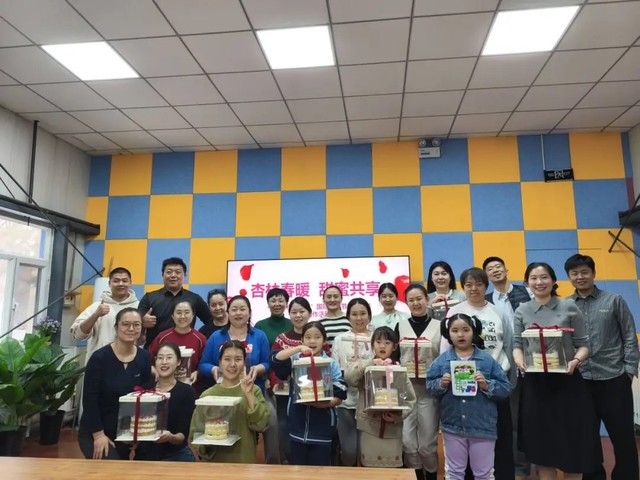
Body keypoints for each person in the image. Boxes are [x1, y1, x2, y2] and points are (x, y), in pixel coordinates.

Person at [513, 262, 602, 479]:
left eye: (544, 277)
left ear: (553, 281)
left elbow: (584, 344)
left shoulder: (569, 307)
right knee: (543, 448)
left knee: (574, 447)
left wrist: (576, 361)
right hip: (536, 386)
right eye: (533, 278)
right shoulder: (522, 310)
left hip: (568, 383)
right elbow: (516, 344)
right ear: (527, 283)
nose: (539, 282)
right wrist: (519, 360)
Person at [564, 254, 639, 480]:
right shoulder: (565, 305)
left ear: (593, 273)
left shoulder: (614, 300)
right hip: (581, 381)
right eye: (574, 273)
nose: (580, 277)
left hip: (614, 378)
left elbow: (629, 336)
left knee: (623, 436)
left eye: (584, 272)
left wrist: (629, 371)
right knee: (587, 437)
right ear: (569, 277)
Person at [443, 267, 515, 480]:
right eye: (468, 285)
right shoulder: (454, 312)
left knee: (499, 438)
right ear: (463, 287)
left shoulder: (498, 311)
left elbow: (508, 345)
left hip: (494, 383)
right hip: (462, 383)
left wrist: (507, 381)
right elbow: (445, 349)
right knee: (463, 440)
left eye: (478, 284)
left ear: (486, 286)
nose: (473, 288)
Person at [427, 314, 512, 480]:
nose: (460, 335)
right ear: (448, 333)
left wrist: (487, 385)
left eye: (466, 330)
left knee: (484, 474)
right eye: (455, 330)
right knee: (454, 473)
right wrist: (441, 384)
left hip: (482, 427)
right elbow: (429, 386)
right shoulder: (442, 361)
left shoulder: (487, 360)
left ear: (474, 331)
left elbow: (506, 388)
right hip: (452, 426)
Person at [78, 308, 153, 460]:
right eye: (125, 324)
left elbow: (146, 397)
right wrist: (99, 435)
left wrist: (137, 434)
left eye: (136, 325)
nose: (131, 329)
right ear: (116, 327)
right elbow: (89, 399)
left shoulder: (144, 357)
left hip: (126, 432)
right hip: (96, 430)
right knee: (110, 467)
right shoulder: (99, 358)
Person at [482, 256, 533, 480]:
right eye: (490, 269)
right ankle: (514, 468)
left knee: (529, 417)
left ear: (506, 269)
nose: (495, 270)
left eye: (498, 267)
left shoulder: (527, 293)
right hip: (504, 367)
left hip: (532, 363)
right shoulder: (487, 302)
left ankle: (529, 466)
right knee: (510, 419)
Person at [271, 322, 348, 466]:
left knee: (321, 470)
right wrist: (298, 349)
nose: (312, 341)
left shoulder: (330, 363)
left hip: (323, 428)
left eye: (317, 337)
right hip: (297, 427)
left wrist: (322, 404)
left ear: (324, 340)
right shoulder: (295, 360)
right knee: (298, 470)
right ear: (302, 340)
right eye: (307, 337)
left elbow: (341, 392)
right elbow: (275, 359)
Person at [344, 326, 416, 468]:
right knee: (369, 469)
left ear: (394, 347)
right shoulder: (365, 367)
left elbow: (410, 399)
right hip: (368, 427)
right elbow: (349, 378)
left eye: (387, 343)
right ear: (372, 345)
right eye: (378, 342)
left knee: (391, 471)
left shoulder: (399, 370)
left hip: (392, 429)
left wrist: (397, 417)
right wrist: (370, 364)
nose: (382, 346)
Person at [270, 297, 331, 463]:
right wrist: (297, 349)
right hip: (292, 402)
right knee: (291, 444)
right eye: (294, 312)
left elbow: (331, 375)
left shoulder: (327, 356)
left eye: (302, 311)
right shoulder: (288, 346)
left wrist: (329, 400)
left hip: (321, 409)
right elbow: (276, 361)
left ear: (309, 313)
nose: (298, 315)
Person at [190, 340, 270, 464]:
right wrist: (207, 444)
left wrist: (248, 395)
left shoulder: (254, 390)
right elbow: (195, 434)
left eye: (238, 359)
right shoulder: (208, 395)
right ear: (219, 363)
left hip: (245, 462)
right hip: (216, 464)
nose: (232, 364)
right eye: (227, 359)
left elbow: (261, 425)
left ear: (244, 363)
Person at [396, 284, 441, 480]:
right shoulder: (400, 326)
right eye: (411, 300)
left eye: (419, 299)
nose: (416, 303)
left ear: (427, 300)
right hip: (406, 390)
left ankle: (431, 474)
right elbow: (395, 356)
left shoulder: (440, 326)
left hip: (429, 390)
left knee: (427, 443)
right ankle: (415, 475)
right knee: (407, 441)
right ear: (406, 303)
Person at [331, 298, 375, 466]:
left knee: (367, 451)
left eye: (363, 313)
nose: (359, 318)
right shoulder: (340, 339)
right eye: (354, 314)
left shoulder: (377, 338)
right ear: (348, 316)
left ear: (369, 316)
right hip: (345, 401)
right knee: (349, 450)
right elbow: (334, 369)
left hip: (371, 403)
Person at [199, 295, 270, 395]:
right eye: (234, 309)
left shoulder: (259, 336)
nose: (238, 313)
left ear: (250, 313)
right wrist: (213, 369)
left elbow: (267, 363)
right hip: (223, 391)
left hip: (252, 390)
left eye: (242, 309)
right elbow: (203, 365)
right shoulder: (216, 336)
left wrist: (258, 369)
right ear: (228, 313)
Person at [138, 257, 212, 348]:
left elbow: (210, 321)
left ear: (184, 276)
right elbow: (134, 324)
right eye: (169, 272)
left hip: (186, 350)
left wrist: (199, 336)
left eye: (178, 272)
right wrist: (142, 322)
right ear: (162, 275)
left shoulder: (194, 298)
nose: (173, 275)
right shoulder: (149, 297)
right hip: (155, 350)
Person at [255, 287, 292, 464]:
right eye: (273, 300)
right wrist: (266, 379)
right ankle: (274, 460)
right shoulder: (260, 326)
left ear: (286, 303)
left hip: (291, 381)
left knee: (287, 420)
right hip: (268, 381)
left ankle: (287, 457)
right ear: (268, 303)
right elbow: (261, 356)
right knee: (274, 422)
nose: (277, 304)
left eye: (280, 300)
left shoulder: (292, 323)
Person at [70, 267, 139, 362]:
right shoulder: (97, 306)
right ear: (109, 283)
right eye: (116, 281)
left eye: (124, 281)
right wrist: (95, 315)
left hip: (130, 361)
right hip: (100, 362)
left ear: (130, 283)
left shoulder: (139, 307)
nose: (121, 284)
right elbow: (78, 334)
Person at [143, 342, 196, 461]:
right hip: (146, 455)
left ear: (178, 362)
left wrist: (171, 437)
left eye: (169, 357)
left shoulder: (186, 392)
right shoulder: (144, 390)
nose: (164, 362)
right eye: (160, 358)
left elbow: (183, 435)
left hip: (176, 455)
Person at [148, 301, 207, 387]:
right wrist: (155, 372)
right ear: (172, 316)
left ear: (193, 315)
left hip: (191, 388)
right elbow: (148, 362)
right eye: (178, 313)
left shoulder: (200, 339)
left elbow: (205, 363)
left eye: (186, 312)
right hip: (163, 387)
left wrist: (197, 372)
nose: (182, 316)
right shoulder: (162, 337)